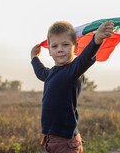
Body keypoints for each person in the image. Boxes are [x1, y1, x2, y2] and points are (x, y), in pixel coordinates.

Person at [30, 20, 114, 153]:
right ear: (49, 51)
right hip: (51, 139)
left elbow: (84, 59)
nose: (60, 50)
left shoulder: (73, 71)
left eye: (65, 45)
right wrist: (34, 58)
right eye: (55, 46)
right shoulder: (51, 73)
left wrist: (96, 39)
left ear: (75, 48)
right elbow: (40, 73)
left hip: (66, 141)